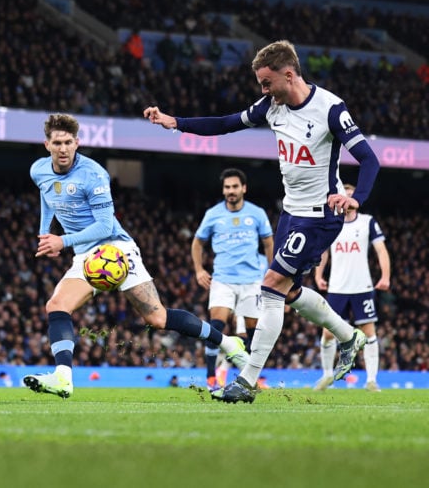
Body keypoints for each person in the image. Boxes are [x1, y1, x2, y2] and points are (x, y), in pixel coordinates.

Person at [144, 39, 381, 403]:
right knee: (287, 292)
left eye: (267, 83)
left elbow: (369, 159)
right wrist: (175, 122)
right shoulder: (272, 106)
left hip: (320, 216)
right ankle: (349, 336)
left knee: (270, 286)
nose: (263, 90)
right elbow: (225, 123)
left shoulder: (331, 109)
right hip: (291, 212)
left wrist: (355, 198)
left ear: (289, 74)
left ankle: (246, 381)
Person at [21, 114, 249, 399]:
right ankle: (63, 378)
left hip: (115, 249)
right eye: (58, 143)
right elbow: (47, 194)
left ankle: (227, 343)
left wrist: (62, 241)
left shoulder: (94, 175)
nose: (64, 148)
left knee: (157, 318)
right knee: (56, 306)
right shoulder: (38, 170)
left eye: (69, 142)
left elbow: (105, 225)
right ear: (47, 145)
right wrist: (45, 233)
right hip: (84, 254)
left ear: (77, 143)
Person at [191, 168, 274, 390]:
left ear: (243, 188)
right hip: (223, 279)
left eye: (235, 187)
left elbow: (268, 242)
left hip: (252, 281)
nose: (231, 191)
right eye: (227, 187)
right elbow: (198, 243)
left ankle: (249, 376)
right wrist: (199, 270)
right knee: (216, 325)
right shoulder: (213, 214)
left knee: (254, 329)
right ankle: (211, 377)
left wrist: (271, 270)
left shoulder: (256, 213)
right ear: (223, 190)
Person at [312, 183, 391, 392]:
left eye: (351, 194)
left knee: (369, 332)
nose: (347, 198)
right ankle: (327, 375)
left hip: (362, 286)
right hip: (337, 287)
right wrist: (318, 275)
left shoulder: (367, 222)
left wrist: (385, 276)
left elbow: (381, 250)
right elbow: (323, 253)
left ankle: (372, 380)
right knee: (328, 333)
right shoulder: (332, 224)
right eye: (344, 194)